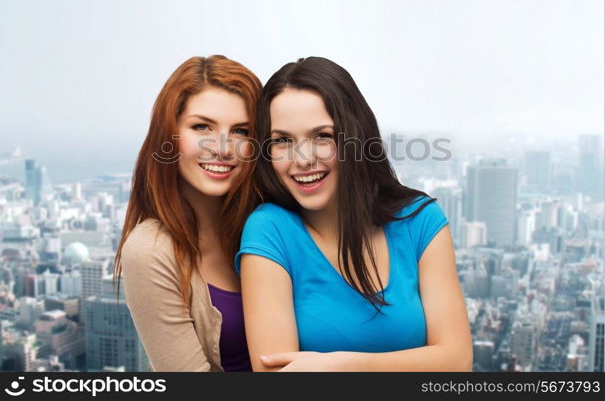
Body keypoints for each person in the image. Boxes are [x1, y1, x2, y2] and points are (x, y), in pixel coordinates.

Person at [236, 57, 472, 371]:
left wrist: (339, 366)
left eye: (322, 136)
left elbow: (457, 362)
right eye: (282, 140)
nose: (303, 158)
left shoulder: (420, 221)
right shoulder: (269, 230)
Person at [114, 55, 262, 372]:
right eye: (201, 126)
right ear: (169, 136)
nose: (222, 147)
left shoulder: (271, 224)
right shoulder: (151, 251)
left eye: (241, 131)